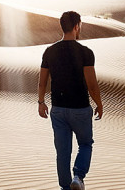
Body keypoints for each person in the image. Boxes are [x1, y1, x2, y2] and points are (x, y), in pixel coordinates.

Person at [38, 11, 103, 190]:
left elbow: (42, 82)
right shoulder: (86, 53)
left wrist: (40, 102)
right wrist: (99, 104)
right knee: (85, 144)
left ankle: (65, 188)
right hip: (80, 109)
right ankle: (78, 177)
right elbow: (92, 85)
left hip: (58, 110)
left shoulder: (49, 52)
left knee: (62, 153)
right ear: (76, 26)